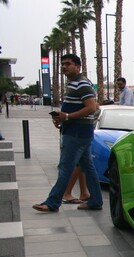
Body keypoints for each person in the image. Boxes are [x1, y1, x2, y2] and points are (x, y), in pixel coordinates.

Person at [32, 53, 103, 213]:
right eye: (62, 64)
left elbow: (92, 107)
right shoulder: (73, 84)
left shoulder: (82, 84)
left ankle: (52, 202)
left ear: (78, 67)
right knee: (88, 167)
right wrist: (62, 118)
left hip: (77, 134)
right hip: (76, 131)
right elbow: (76, 107)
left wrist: (68, 117)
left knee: (65, 167)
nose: (64, 66)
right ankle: (96, 201)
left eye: (68, 64)